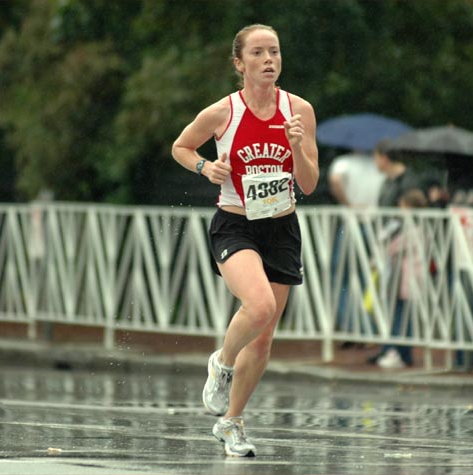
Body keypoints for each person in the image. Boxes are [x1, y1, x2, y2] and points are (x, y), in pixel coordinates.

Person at [171, 24, 318, 457]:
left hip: (282, 228)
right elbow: (181, 146)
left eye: (274, 51)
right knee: (260, 305)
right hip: (235, 225)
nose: (269, 60)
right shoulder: (223, 112)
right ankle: (221, 363)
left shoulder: (299, 111)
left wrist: (297, 149)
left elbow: (309, 184)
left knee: (265, 337)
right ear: (240, 64)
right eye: (258, 53)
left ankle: (232, 423)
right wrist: (204, 169)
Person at [367, 139, 419, 365]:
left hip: (402, 249)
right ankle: (389, 346)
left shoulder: (407, 181)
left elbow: (410, 214)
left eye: (376, 157)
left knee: (399, 301)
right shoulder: (388, 181)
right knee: (387, 299)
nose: (374, 161)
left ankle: (400, 349)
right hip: (388, 246)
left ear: (384, 157)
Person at [327, 149, 385, 345]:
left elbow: (335, 180)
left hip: (351, 223)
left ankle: (354, 326)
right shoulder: (376, 166)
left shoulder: (343, 162)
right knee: (362, 278)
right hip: (372, 223)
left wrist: (348, 203)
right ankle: (363, 328)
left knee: (340, 276)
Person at [376, 188, 428, 369]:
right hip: (401, 278)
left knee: (401, 317)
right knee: (399, 315)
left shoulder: (415, 229)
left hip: (405, 279)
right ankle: (398, 351)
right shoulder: (409, 227)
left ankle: (400, 353)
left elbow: (392, 246)